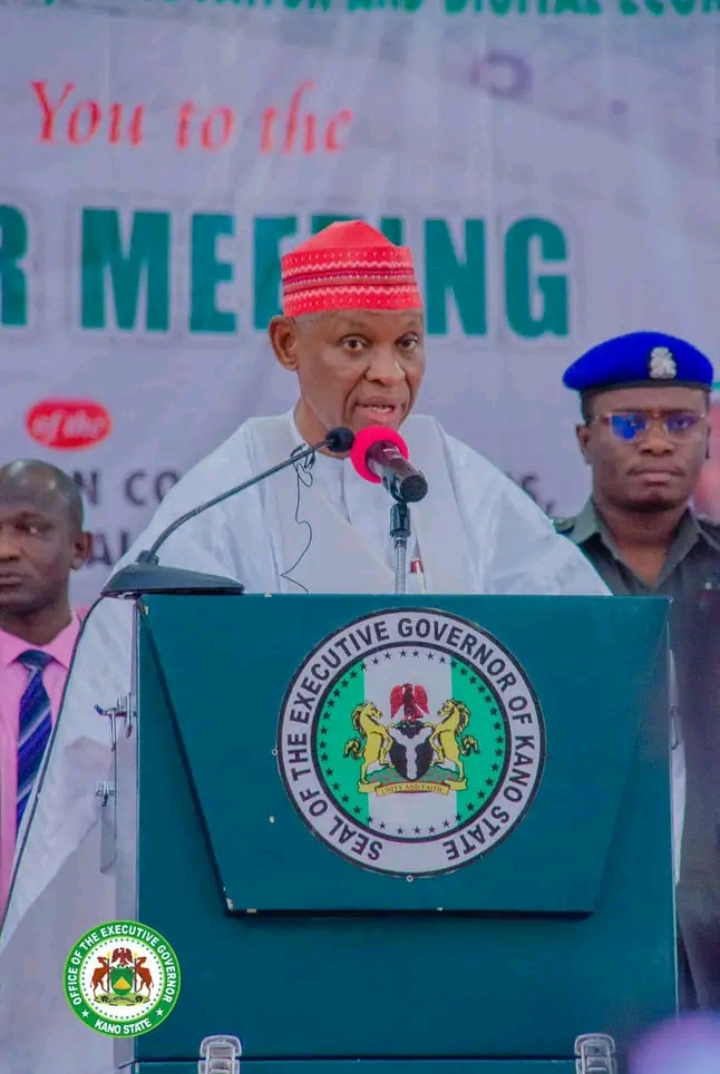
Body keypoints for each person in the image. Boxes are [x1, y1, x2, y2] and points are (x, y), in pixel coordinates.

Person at [0, 221, 608, 1074]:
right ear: (289, 345)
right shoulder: (233, 485)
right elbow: (119, 680)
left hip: (456, 872)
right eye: (355, 344)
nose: (388, 374)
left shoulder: (456, 478)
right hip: (276, 879)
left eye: (407, 344)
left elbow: (585, 648)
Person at [554, 330, 720, 1011]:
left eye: (680, 423)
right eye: (629, 423)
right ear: (585, 438)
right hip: (581, 923)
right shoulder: (535, 577)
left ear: (707, 436)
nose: (656, 443)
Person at [0, 460, 91, 918]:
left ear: (80, 548)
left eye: (30, 528)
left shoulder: (125, 666)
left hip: (98, 939)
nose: (4, 550)